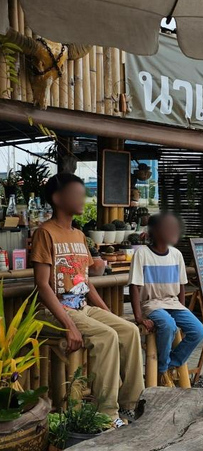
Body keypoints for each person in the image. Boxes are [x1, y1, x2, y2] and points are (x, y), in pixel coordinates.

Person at [31, 173, 144, 427]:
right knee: (107, 336)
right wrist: (69, 325)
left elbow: (85, 281)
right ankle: (107, 414)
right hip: (53, 310)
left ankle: (131, 405)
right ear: (58, 198)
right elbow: (41, 285)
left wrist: (108, 313)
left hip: (82, 307)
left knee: (127, 330)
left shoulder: (80, 235)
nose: (82, 198)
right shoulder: (45, 233)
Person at [128, 213, 203, 387]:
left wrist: (182, 309)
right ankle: (162, 370)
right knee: (168, 325)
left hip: (173, 303)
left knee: (199, 331)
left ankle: (172, 364)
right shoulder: (142, 254)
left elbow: (181, 285)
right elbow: (134, 286)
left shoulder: (176, 255)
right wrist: (139, 317)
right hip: (151, 304)